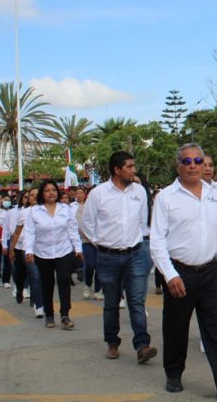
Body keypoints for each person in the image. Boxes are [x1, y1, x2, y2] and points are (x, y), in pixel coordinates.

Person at [149, 143, 217, 400]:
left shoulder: (216, 194)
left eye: (197, 160)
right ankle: (173, 373)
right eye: (186, 161)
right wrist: (170, 275)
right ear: (178, 165)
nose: (193, 165)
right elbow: (157, 241)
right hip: (180, 273)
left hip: (211, 272)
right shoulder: (166, 198)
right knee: (176, 328)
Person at [82, 151, 156, 363]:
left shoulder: (140, 191)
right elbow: (87, 223)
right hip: (107, 257)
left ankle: (142, 345)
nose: (134, 170)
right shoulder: (99, 193)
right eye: (130, 166)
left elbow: (143, 222)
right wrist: (101, 241)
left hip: (134, 254)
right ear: (117, 169)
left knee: (136, 302)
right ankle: (112, 342)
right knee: (111, 303)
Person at [23, 181, 83, 330]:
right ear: (42, 194)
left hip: (64, 250)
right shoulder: (35, 211)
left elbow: (72, 228)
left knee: (64, 280)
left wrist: (78, 247)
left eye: (54, 190)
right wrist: (28, 251)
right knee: (47, 283)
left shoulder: (65, 208)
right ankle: (49, 314)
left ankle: (65, 314)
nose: (51, 193)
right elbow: (29, 232)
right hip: (42, 253)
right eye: (47, 190)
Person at [4, 189, 44, 317]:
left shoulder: (46, 211)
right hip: (23, 248)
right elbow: (16, 233)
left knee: (36, 277)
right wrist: (11, 249)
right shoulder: (23, 213)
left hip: (42, 250)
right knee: (19, 274)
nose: (34, 197)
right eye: (31, 196)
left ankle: (38, 305)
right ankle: (20, 289)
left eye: (37, 195)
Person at [75, 187, 103, 301]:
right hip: (87, 240)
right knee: (90, 265)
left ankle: (98, 290)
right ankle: (87, 285)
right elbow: (81, 225)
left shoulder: (102, 206)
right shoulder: (80, 208)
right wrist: (90, 236)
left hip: (102, 241)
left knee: (99, 266)